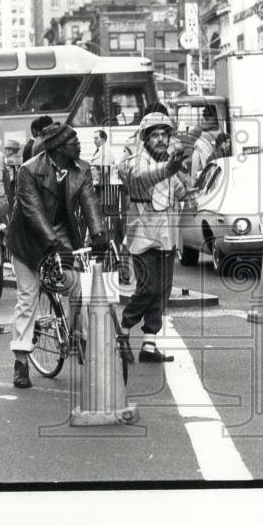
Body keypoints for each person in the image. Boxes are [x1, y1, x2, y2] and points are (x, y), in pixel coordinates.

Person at [5, 123, 108, 388]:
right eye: (74, 141)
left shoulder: (81, 169)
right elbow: (33, 211)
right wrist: (52, 244)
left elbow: (89, 202)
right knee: (28, 297)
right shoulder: (29, 170)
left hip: (61, 234)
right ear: (59, 147)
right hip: (28, 240)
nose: (79, 145)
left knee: (76, 288)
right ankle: (21, 360)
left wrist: (98, 233)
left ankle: (78, 337)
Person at [116, 111, 190, 364]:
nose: (160, 139)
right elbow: (140, 179)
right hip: (143, 237)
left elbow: (179, 190)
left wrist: (189, 190)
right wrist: (169, 168)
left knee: (162, 292)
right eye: (155, 135)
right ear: (145, 139)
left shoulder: (169, 162)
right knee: (147, 288)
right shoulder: (135, 161)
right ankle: (123, 332)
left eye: (164, 134)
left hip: (167, 237)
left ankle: (149, 345)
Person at [190, 111, 220, 181]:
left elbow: (205, 163)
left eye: (192, 136)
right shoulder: (198, 144)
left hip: (202, 178)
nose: (190, 139)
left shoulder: (200, 145)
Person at [3, 133, 22, 210]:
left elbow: (10, 178)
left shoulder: (9, 161)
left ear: (12, 150)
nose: (6, 151)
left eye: (8, 149)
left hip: (11, 189)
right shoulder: (20, 159)